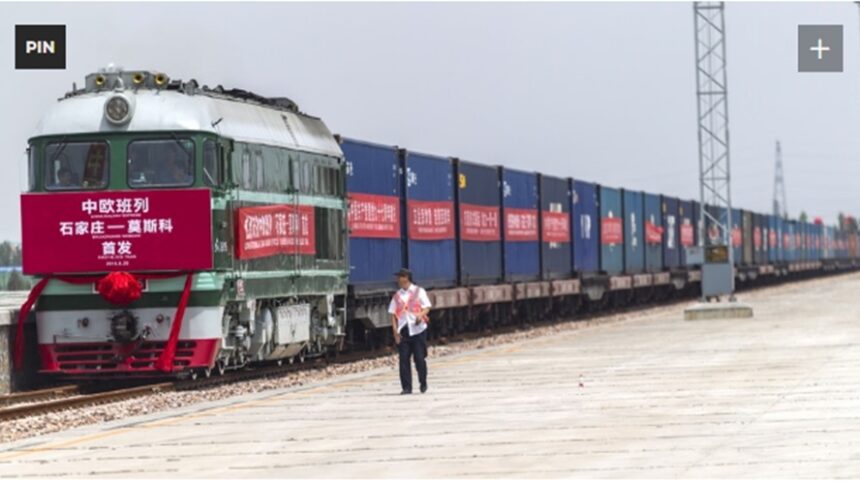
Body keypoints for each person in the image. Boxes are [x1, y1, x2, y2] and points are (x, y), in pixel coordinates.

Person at [388, 268, 432, 394]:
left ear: (406, 278)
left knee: (419, 358)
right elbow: (392, 314)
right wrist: (395, 331)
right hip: (404, 330)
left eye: (400, 277)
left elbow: (427, 307)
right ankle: (406, 387)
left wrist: (420, 315)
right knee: (403, 360)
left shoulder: (419, 291)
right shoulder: (397, 296)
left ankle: (423, 382)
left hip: (418, 330)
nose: (398, 280)